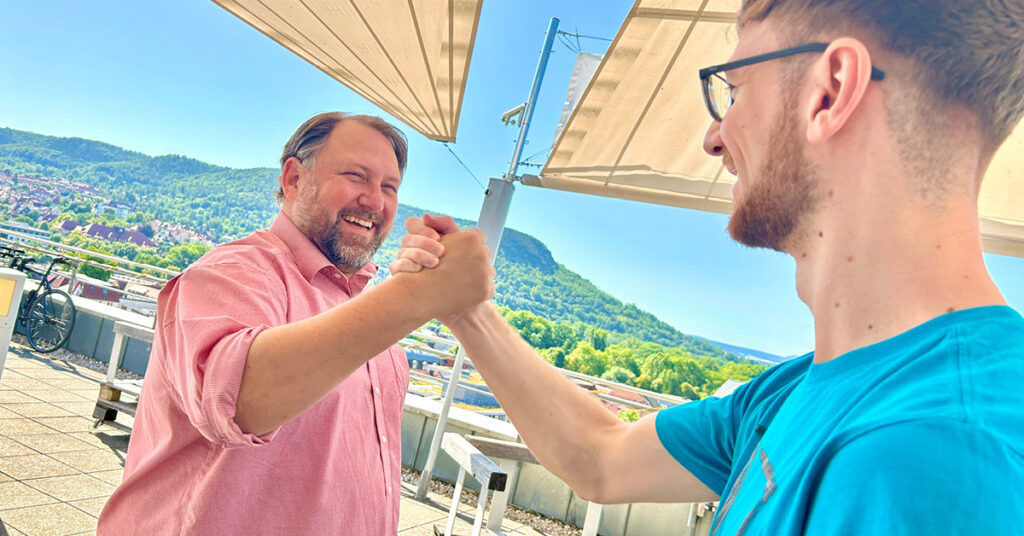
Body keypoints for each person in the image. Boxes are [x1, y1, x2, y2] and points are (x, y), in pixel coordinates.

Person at [392, 1, 1024, 533]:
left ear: (829, 92)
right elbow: (600, 458)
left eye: (733, 89)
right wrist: (467, 310)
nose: (713, 137)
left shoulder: (939, 456)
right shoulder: (798, 390)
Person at [98, 112, 493, 534]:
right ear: (293, 179)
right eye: (356, 175)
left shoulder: (374, 316)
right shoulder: (233, 271)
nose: (376, 201)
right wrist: (415, 296)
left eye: (389, 187)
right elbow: (237, 401)